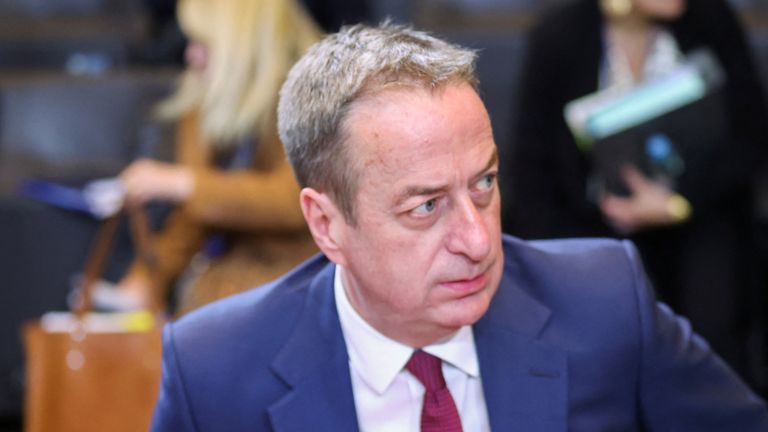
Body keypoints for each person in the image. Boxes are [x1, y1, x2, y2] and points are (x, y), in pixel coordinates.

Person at [150, 23, 768, 431]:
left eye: (484, 184)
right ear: (326, 224)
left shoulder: (604, 302)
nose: (477, 241)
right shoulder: (213, 371)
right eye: (425, 207)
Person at [504, 0, 768, 384]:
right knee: (601, 293)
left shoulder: (712, 22)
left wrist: (679, 203)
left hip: (698, 214)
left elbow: (750, 139)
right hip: (594, 223)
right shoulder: (559, 38)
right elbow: (532, 172)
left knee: (713, 287)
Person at [114, 0, 321, 315]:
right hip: (225, 293)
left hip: (296, 292)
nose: (190, 55)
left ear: (241, 44)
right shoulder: (205, 99)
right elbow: (194, 217)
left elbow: (294, 200)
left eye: (202, 42)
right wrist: (147, 280)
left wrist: (183, 183)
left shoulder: (316, 100)